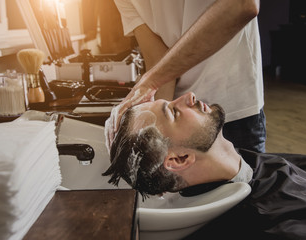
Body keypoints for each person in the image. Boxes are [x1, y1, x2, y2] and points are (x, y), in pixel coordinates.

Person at [103, 92, 306, 239]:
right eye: (173, 112)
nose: (188, 96)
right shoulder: (272, 225)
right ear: (179, 159)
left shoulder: (250, 165)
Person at [106, 0, 266, 153]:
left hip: (235, 105)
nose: (191, 97)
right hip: (184, 124)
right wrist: (159, 137)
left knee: (246, 178)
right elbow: (158, 61)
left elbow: (242, 5)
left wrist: (149, 82)